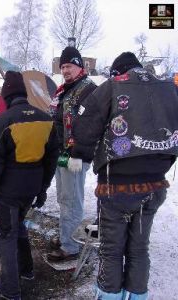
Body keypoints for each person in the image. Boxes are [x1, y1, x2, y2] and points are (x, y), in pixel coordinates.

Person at [70, 52, 178, 299]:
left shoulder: (112, 87)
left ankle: (109, 295)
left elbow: (86, 128)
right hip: (154, 186)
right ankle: (137, 295)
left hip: (116, 187)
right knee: (140, 248)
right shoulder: (169, 90)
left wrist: (79, 155)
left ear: (118, 72)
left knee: (112, 249)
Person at [0, 71, 59, 300]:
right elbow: (51, 158)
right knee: (19, 226)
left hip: (8, 192)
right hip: (31, 189)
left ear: (7, 97)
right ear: (24, 94)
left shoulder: (3, 122)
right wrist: (42, 189)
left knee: (6, 235)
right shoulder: (45, 120)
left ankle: (11, 290)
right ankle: (27, 270)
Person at [47, 46, 97, 261]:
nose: (65, 70)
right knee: (63, 197)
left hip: (75, 155)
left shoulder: (88, 89)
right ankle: (66, 235)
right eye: (63, 67)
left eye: (69, 66)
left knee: (71, 200)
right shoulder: (64, 89)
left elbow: (92, 124)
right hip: (62, 152)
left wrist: (80, 153)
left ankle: (70, 247)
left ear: (79, 66)